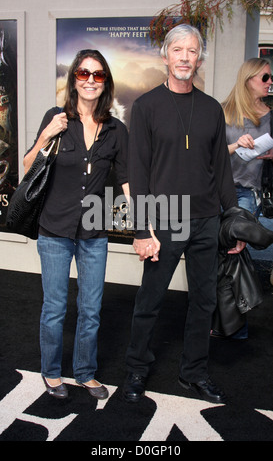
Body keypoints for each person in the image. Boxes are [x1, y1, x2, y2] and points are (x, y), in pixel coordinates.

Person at [122, 24, 245, 405]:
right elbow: (137, 171)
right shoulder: (145, 107)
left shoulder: (211, 109)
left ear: (199, 59)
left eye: (192, 51)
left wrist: (235, 220)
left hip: (208, 219)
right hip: (164, 220)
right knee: (150, 300)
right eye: (178, 50)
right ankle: (137, 369)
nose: (185, 58)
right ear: (166, 57)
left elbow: (221, 171)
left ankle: (193, 373)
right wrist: (142, 228)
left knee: (204, 301)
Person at [24, 49, 128, 400]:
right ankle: (52, 373)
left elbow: (127, 181)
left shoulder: (116, 130)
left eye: (98, 75)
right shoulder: (56, 118)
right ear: (74, 79)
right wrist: (45, 136)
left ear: (105, 83)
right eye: (83, 73)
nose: (90, 81)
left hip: (94, 233)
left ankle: (85, 372)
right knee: (54, 307)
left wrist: (146, 228)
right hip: (54, 229)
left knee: (91, 308)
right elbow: (26, 168)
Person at [220, 58, 273, 338]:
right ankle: (222, 322)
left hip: (246, 193)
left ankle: (236, 326)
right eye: (265, 77)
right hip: (217, 191)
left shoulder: (270, 116)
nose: (270, 82)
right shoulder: (224, 112)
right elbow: (209, 154)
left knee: (235, 251)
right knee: (216, 256)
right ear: (248, 79)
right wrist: (235, 145)